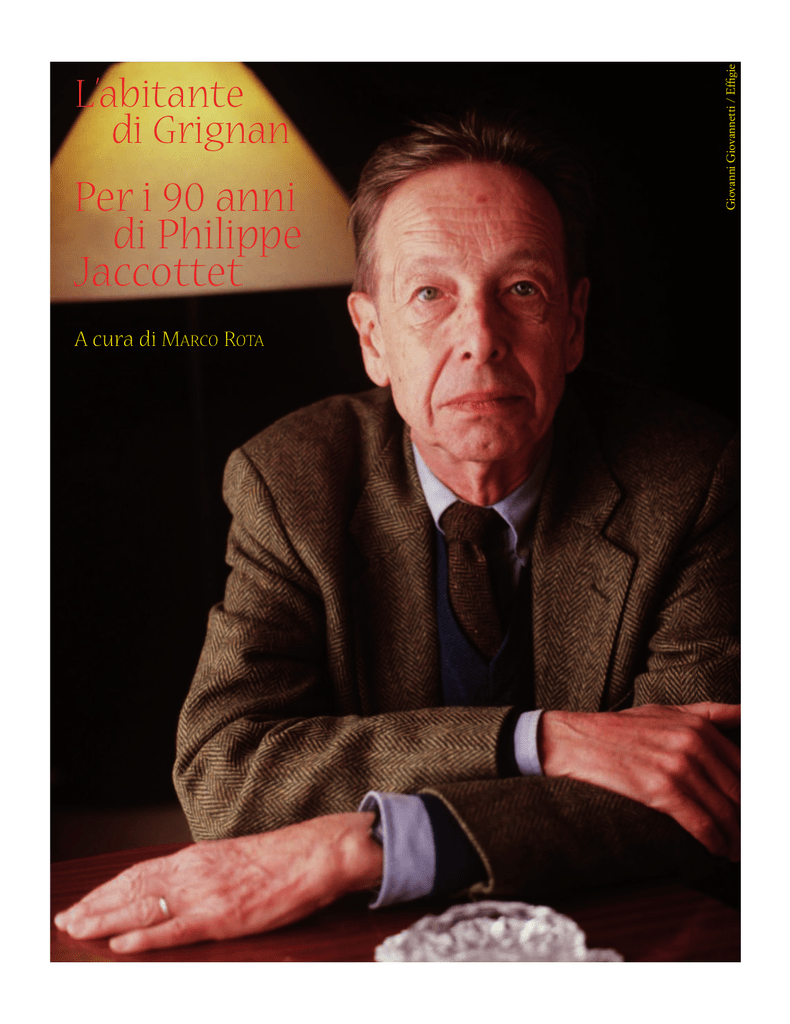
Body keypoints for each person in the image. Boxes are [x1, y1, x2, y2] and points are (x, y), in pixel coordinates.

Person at [55, 112, 739, 954]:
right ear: (372, 337)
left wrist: (364, 844)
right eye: (430, 295)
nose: (480, 340)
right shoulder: (290, 482)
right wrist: (539, 740)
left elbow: (706, 786)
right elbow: (226, 776)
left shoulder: (694, 476)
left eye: (523, 289)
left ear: (574, 324)